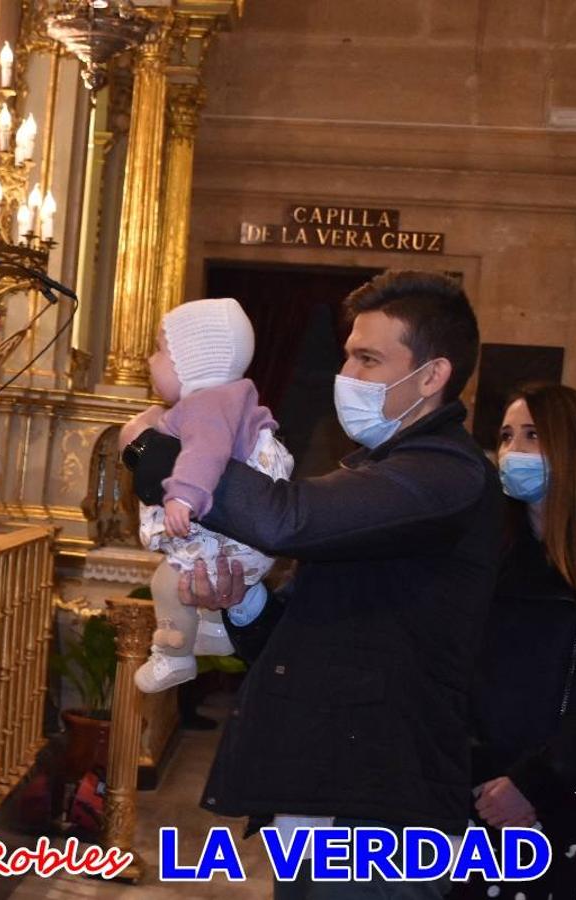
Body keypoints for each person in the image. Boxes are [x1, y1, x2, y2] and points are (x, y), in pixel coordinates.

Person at [124, 270, 501, 898]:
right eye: (348, 354)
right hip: (324, 784)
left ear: (432, 376)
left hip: (385, 808)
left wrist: (155, 453)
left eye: (369, 359)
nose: (346, 375)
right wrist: (240, 601)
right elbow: (294, 637)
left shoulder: (445, 475)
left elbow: (288, 519)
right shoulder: (376, 471)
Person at [452, 384, 576, 899]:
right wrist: (486, 779)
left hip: (573, 807)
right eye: (507, 437)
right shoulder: (489, 559)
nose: (514, 452)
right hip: (483, 805)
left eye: (533, 436)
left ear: (575, 447)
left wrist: (532, 782)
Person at [116, 297, 293, 693]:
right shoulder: (231, 399)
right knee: (196, 576)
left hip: (233, 536)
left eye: (162, 350)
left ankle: (173, 657)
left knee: (168, 581)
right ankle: (212, 629)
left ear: (193, 363)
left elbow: (205, 452)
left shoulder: (207, 404)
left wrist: (183, 496)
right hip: (246, 539)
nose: (150, 359)